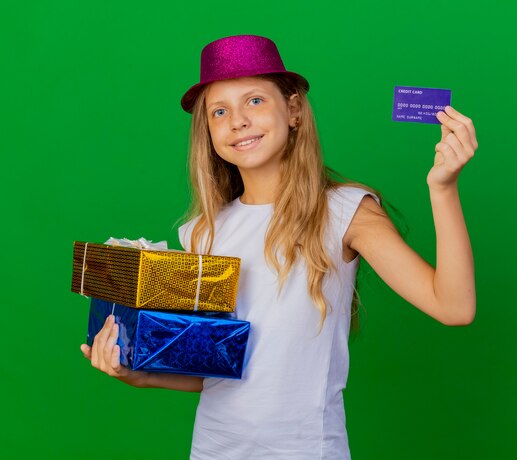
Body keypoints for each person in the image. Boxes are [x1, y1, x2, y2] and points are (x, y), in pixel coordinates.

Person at [80, 34, 477, 459]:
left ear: (293, 111)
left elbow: (453, 307)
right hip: (214, 449)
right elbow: (217, 364)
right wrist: (139, 374)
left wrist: (443, 188)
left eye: (254, 101)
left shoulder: (344, 212)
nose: (237, 121)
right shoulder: (202, 232)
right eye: (220, 111)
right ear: (208, 131)